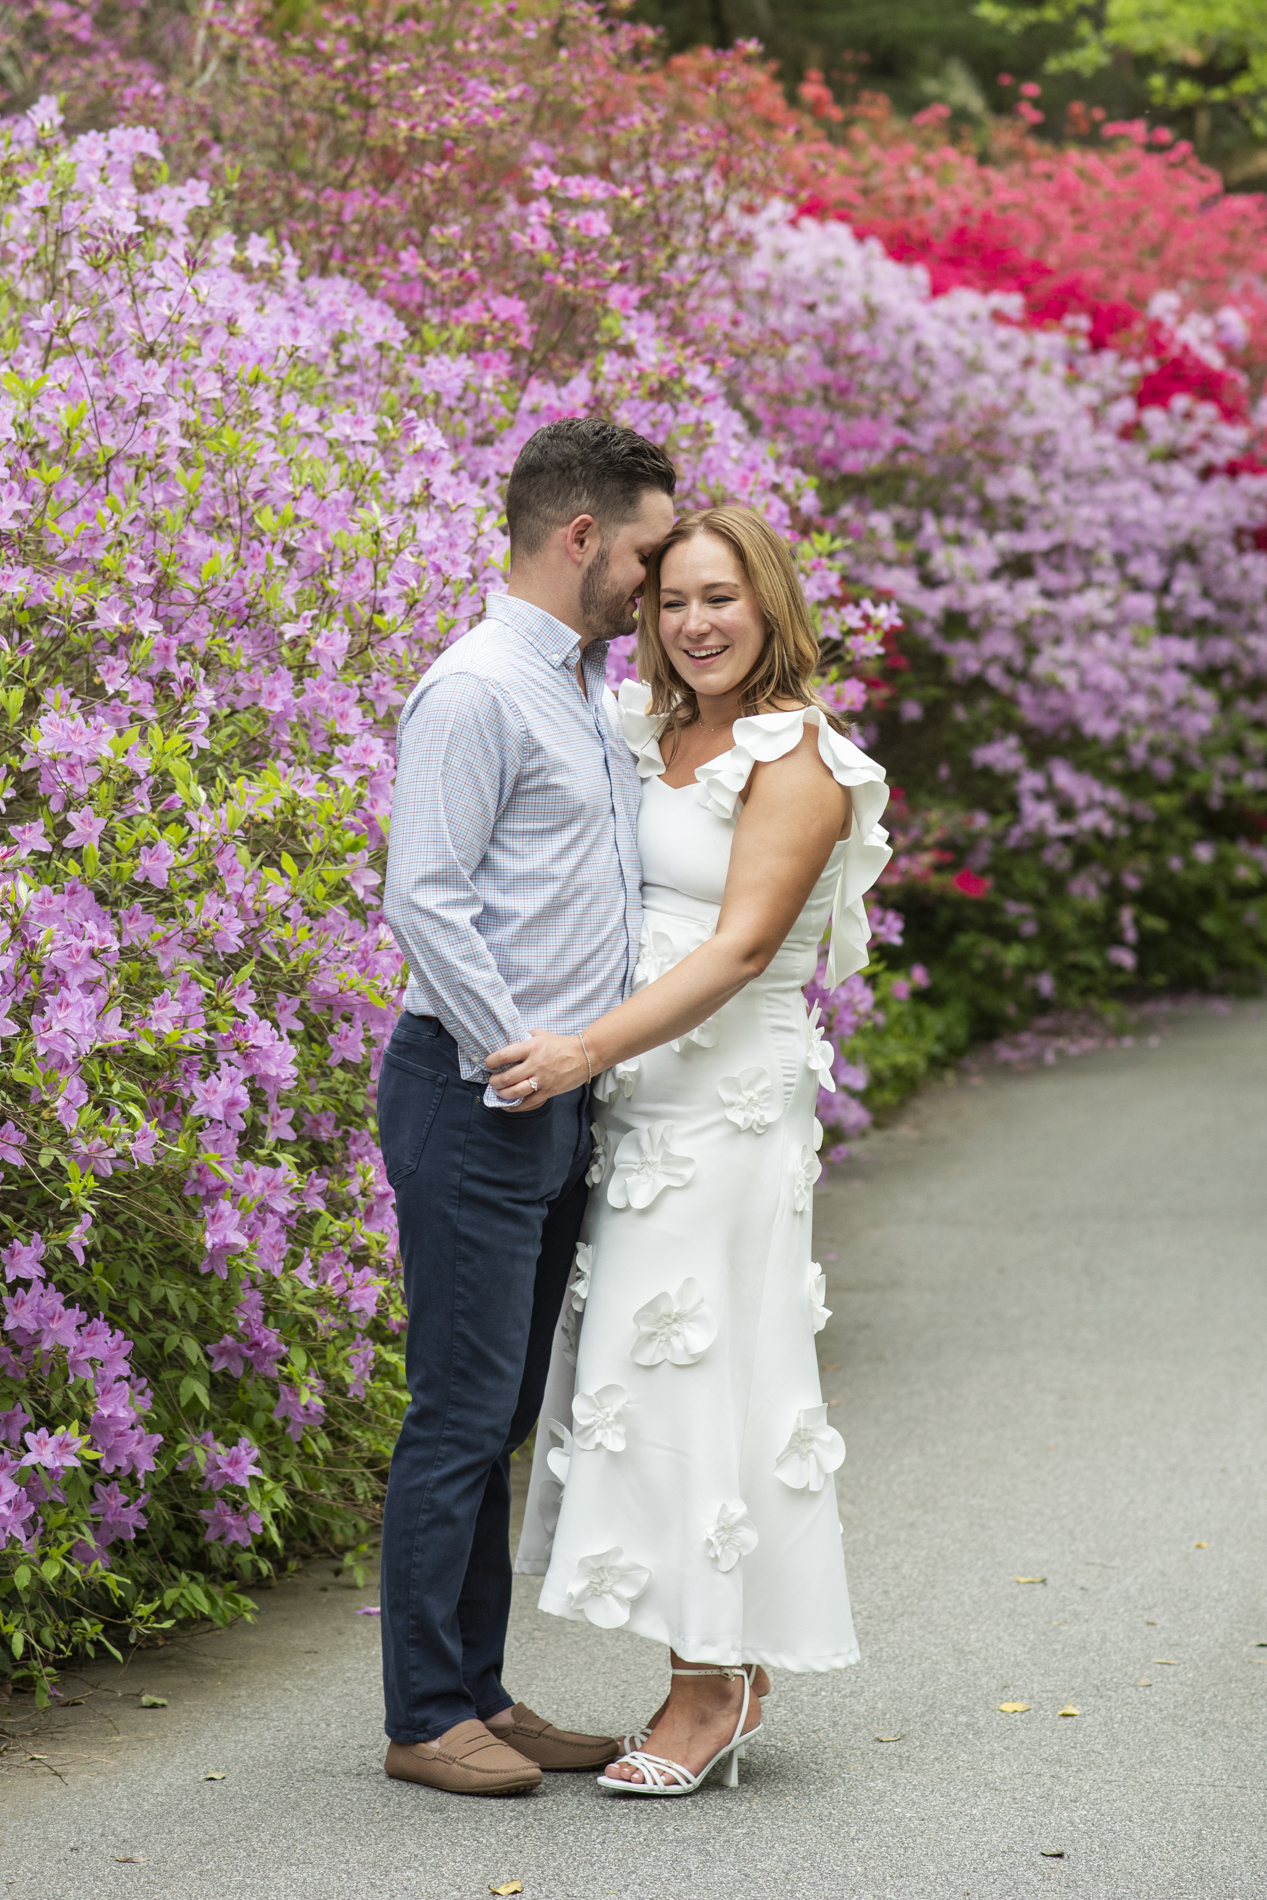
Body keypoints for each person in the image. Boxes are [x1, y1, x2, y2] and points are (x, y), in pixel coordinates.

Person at [491, 504, 891, 1797]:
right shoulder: (647, 732)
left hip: (722, 1111)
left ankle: (706, 1687)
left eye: (720, 598)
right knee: (634, 1365)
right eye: (671, 602)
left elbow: (735, 952)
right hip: (636, 1104)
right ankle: (723, 1654)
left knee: (697, 1369)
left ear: (767, 604)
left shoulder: (800, 760)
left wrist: (578, 1052)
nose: (695, 624)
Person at [378, 417, 677, 1796]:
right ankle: (425, 1716)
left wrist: (579, 1064)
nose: (658, 579)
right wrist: (521, 1055)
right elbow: (423, 895)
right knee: (456, 1410)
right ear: (582, 540)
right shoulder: (478, 689)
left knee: (498, 1410)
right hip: (475, 1090)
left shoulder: (585, 681)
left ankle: (483, 1694)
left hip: (551, 1095)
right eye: (649, 551)